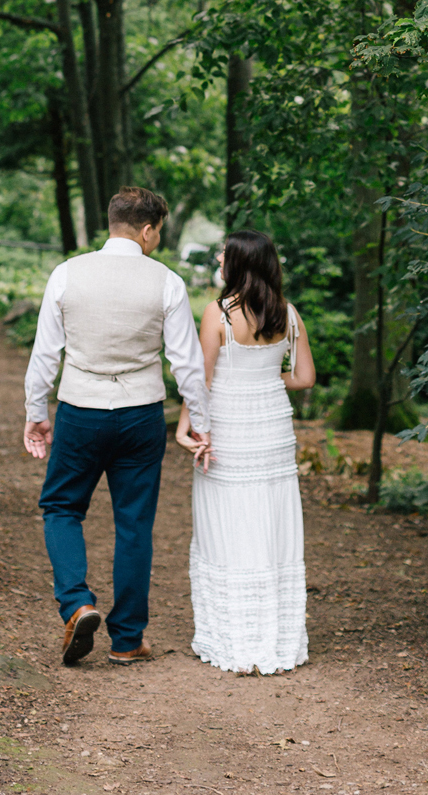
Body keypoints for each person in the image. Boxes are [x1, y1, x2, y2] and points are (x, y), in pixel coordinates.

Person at [23, 186, 211, 667]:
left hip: (80, 411)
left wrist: (36, 413)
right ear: (147, 230)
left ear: (112, 223)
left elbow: (46, 352)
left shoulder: (67, 274)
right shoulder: (166, 281)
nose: (157, 240)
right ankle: (128, 639)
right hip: (141, 414)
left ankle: (78, 604)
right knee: (134, 524)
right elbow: (186, 362)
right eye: (158, 232)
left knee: (62, 507)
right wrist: (201, 422)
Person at [176, 228, 316, 674]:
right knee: (271, 519)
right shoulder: (288, 314)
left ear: (237, 263)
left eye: (222, 256)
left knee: (229, 522)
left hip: (230, 427)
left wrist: (189, 429)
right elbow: (304, 378)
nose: (218, 262)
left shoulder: (218, 313)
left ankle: (234, 637)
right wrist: (269, 380)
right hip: (273, 427)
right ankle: (275, 638)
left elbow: (201, 382)